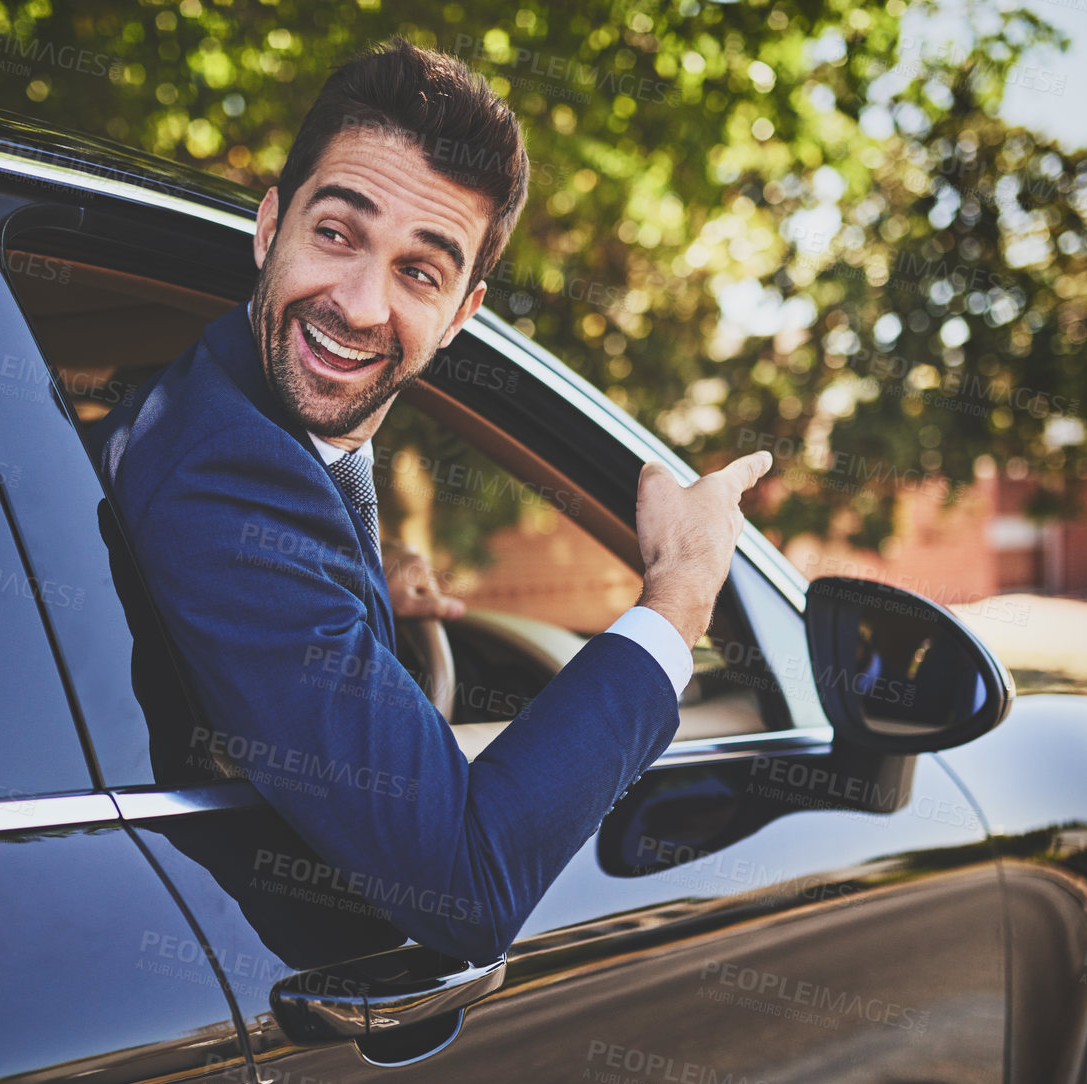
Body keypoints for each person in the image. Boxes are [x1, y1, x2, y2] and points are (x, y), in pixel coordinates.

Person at [91, 36, 771, 962]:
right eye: (336, 233)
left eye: (419, 270)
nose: (362, 304)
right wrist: (680, 592)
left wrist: (357, 578)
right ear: (268, 227)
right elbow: (460, 881)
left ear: (459, 313)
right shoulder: (226, 471)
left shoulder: (246, 436)